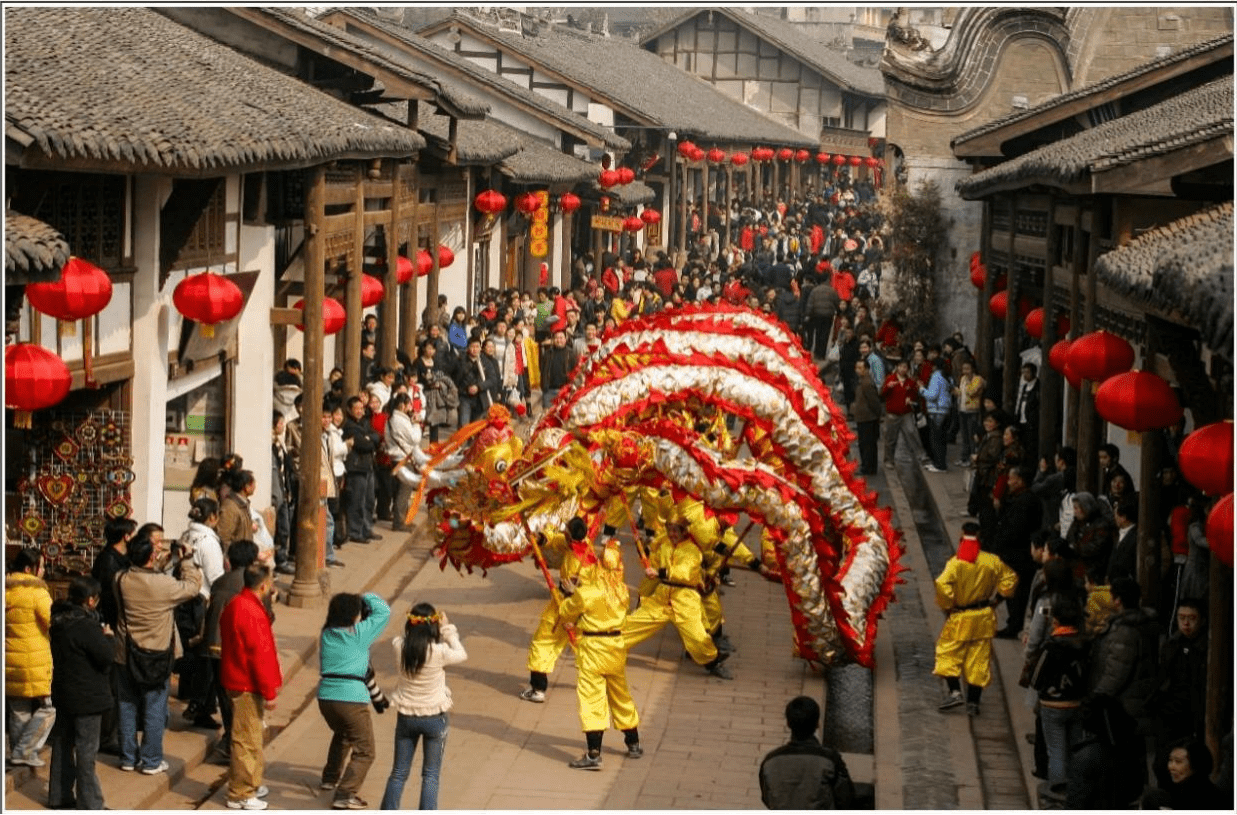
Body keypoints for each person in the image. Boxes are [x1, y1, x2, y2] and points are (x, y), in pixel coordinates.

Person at [114, 533, 202, 775]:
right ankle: (151, 760)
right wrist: (186, 560)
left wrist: (163, 560)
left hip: (126, 653)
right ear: (152, 556)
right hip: (157, 653)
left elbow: (145, 573)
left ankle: (128, 757)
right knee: (154, 707)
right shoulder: (165, 586)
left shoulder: (120, 579)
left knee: (127, 705)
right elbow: (193, 587)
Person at [560, 539, 643, 770]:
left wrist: (569, 594)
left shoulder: (587, 592)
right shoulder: (623, 591)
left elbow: (566, 611)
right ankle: (633, 742)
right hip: (616, 647)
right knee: (620, 694)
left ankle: (594, 753)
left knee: (592, 698)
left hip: (592, 648)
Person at [623, 507, 733, 680]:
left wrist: (660, 573)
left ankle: (713, 662)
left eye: (676, 530)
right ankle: (608, 649)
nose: (672, 534)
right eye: (670, 530)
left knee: (697, 637)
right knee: (632, 623)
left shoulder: (693, 550)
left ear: (684, 531)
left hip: (684, 598)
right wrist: (643, 553)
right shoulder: (665, 546)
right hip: (661, 597)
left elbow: (685, 572)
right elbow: (655, 563)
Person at [379, 603, 466, 810]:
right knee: (430, 775)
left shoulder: (399, 645)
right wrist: (447, 628)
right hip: (435, 719)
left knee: (399, 772)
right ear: (433, 627)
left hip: (406, 717)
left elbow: (403, 637)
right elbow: (461, 653)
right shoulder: (439, 651)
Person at [933, 522, 1018, 717]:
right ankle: (973, 702)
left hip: (960, 617)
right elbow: (1010, 579)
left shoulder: (955, 562)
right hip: (984, 616)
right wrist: (998, 600)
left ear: (963, 535)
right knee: (978, 659)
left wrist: (948, 605)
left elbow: (941, 584)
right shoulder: (992, 561)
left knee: (947, 653)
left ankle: (955, 692)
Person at [318, 592, 391, 809]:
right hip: (351, 699)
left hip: (325, 698)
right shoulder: (359, 633)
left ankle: (330, 777)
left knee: (343, 734)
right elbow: (384, 611)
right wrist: (365, 596)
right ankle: (345, 793)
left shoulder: (326, 634)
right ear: (353, 614)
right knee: (366, 750)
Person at [218, 563, 281, 811]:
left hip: (237, 678)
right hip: (246, 683)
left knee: (249, 737)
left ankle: (250, 782)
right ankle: (240, 793)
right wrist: (269, 691)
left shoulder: (237, 604)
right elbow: (259, 655)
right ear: (263, 585)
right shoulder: (250, 612)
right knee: (247, 741)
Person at [47, 576, 112, 810]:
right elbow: (105, 657)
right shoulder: (85, 626)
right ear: (91, 601)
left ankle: (59, 795)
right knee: (86, 751)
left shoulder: (59, 621)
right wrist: (109, 637)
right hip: (87, 697)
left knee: (63, 745)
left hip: (64, 693)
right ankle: (90, 803)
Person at [1025, 596, 1089, 807]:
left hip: (1053, 705)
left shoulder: (1051, 647)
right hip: (1077, 703)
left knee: (1056, 752)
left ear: (1056, 621)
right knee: (1075, 749)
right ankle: (1076, 792)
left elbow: (1035, 679)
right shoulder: (1085, 644)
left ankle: (1057, 797)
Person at [519, 518, 592, 704]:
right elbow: (556, 540)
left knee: (542, 642)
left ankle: (538, 688)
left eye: (565, 530)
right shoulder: (579, 547)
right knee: (584, 646)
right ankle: (599, 679)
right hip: (575, 608)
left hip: (565, 607)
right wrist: (541, 538)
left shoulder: (580, 562)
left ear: (570, 535)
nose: (563, 533)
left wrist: (572, 595)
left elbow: (587, 589)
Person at [176, 498, 228, 729]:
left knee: (193, 652)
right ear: (212, 517)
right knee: (204, 656)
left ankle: (196, 701)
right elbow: (216, 576)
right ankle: (199, 705)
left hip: (184, 599)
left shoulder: (187, 536)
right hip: (200, 600)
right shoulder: (207, 541)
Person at [759, 696, 858, 809]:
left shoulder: (770, 761)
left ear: (788, 723)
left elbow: (766, 797)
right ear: (817, 724)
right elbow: (846, 799)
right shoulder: (830, 760)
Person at [6, 548, 56, 768]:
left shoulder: (6, 590)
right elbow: (51, 622)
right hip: (33, 660)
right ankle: (25, 751)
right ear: (29, 569)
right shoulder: (37, 592)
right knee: (48, 708)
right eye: (42, 566)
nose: (43, 570)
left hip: (9, 659)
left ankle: (17, 753)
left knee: (19, 709)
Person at [992, 466, 1041, 639]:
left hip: (1018, 555)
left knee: (1017, 592)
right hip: (1015, 553)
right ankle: (1013, 623)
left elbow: (1017, 529)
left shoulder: (1025, 501)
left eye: (1011, 479)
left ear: (1020, 480)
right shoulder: (1018, 498)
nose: (1008, 482)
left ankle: (1014, 625)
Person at [342, 396, 382, 544]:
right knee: (357, 501)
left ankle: (366, 528)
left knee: (369, 500)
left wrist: (369, 438)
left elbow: (377, 437)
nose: (360, 411)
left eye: (361, 408)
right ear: (349, 410)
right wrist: (369, 440)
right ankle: (355, 531)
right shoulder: (349, 426)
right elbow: (364, 445)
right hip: (356, 467)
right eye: (356, 408)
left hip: (368, 466)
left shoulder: (365, 423)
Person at [1149, 736, 1228, 810]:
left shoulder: (1209, 798)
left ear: (1196, 764)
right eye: (1170, 760)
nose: (1171, 767)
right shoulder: (1173, 793)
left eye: (1178, 762)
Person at [879, 357, 919, 469]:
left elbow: (914, 394)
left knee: (911, 432)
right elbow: (882, 393)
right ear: (897, 367)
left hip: (906, 413)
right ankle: (888, 460)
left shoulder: (910, 382)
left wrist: (910, 399)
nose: (902, 369)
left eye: (905, 367)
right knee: (890, 437)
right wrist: (888, 387)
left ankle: (913, 456)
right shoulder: (890, 379)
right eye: (900, 366)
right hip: (893, 413)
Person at [921, 356, 952, 473]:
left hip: (936, 410)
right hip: (945, 410)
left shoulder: (936, 376)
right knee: (942, 439)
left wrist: (922, 389)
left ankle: (939, 464)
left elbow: (932, 395)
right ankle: (941, 463)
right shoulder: (947, 376)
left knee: (936, 439)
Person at [1013, 363, 1040, 460]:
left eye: (1027, 372)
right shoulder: (1024, 387)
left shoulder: (1038, 387)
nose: (1025, 375)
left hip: (1032, 423)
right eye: (1023, 372)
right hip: (1022, 421)